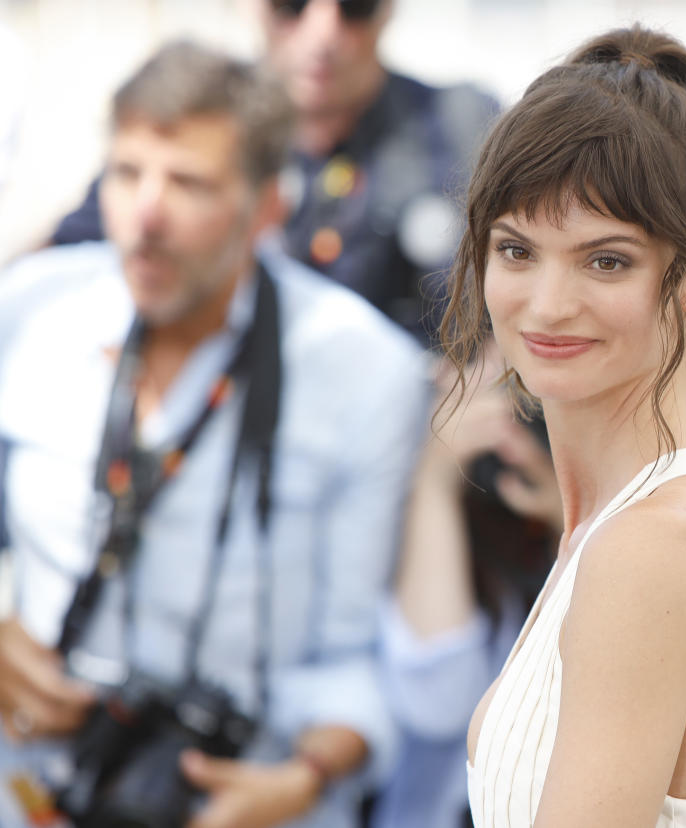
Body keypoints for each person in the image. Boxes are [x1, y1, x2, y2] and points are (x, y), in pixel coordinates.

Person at [0, 41, 424, 828]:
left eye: (189, 182)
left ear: (269, 205)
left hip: (237, 797)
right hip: (26, 785)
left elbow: (357, 662)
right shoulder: (27, 313)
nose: (147, 215)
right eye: (127, 173)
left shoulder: (366, 372)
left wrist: (304, 777)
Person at [440, 24, 686, 828]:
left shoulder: (655, 550)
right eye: (517, 251)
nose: (549, 303)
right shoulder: (635, 531)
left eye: (606, 260)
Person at [51, 0, 498, 347]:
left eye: (355, 5)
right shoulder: (195, 126)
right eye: (292, 2)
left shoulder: (463, 128)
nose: (324, 33)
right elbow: (57, 275)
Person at [374, 346, 559, 828]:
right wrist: (437, 479)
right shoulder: (394, 494)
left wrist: (577, 515)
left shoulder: (682, 496)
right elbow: (438, 702)